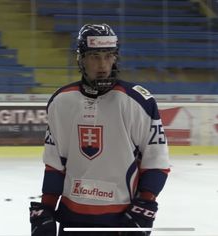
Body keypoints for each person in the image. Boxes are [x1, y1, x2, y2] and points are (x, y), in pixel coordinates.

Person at [29, 23, 170, 236]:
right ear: (81, 59)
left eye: (108, 55)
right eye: (95, 56)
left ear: (116, 57)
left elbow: (157, 161)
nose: (103, 64)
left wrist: (144, 206)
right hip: (72, 218)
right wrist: (47, 208)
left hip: (122, 220)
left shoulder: (138, 101)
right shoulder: (61, 101)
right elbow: (54, 165)